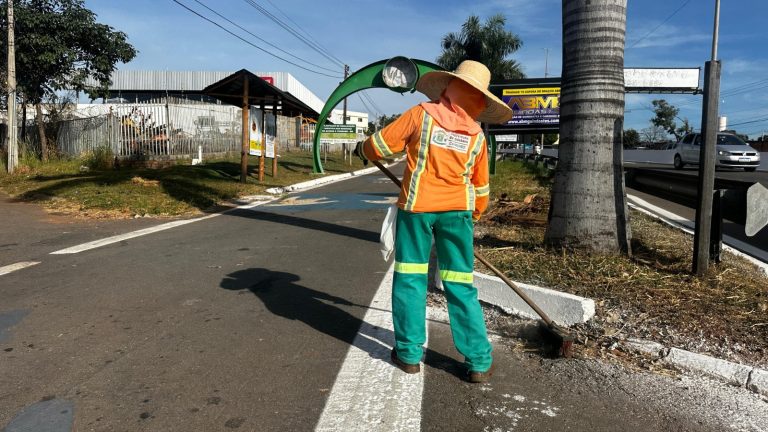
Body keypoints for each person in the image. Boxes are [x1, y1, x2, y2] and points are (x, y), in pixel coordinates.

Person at [355, 60, 513, 382]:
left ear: (448, 88)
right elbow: (481, 187)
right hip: (459, 214)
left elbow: (381, 145)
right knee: (460, 284)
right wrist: (472, 216)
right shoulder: (477, 137)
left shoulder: (422, 114)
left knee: (410, 278)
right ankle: (479, 361)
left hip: (416, 209)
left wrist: (364, 148)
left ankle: (410, 354)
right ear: (480, 101)